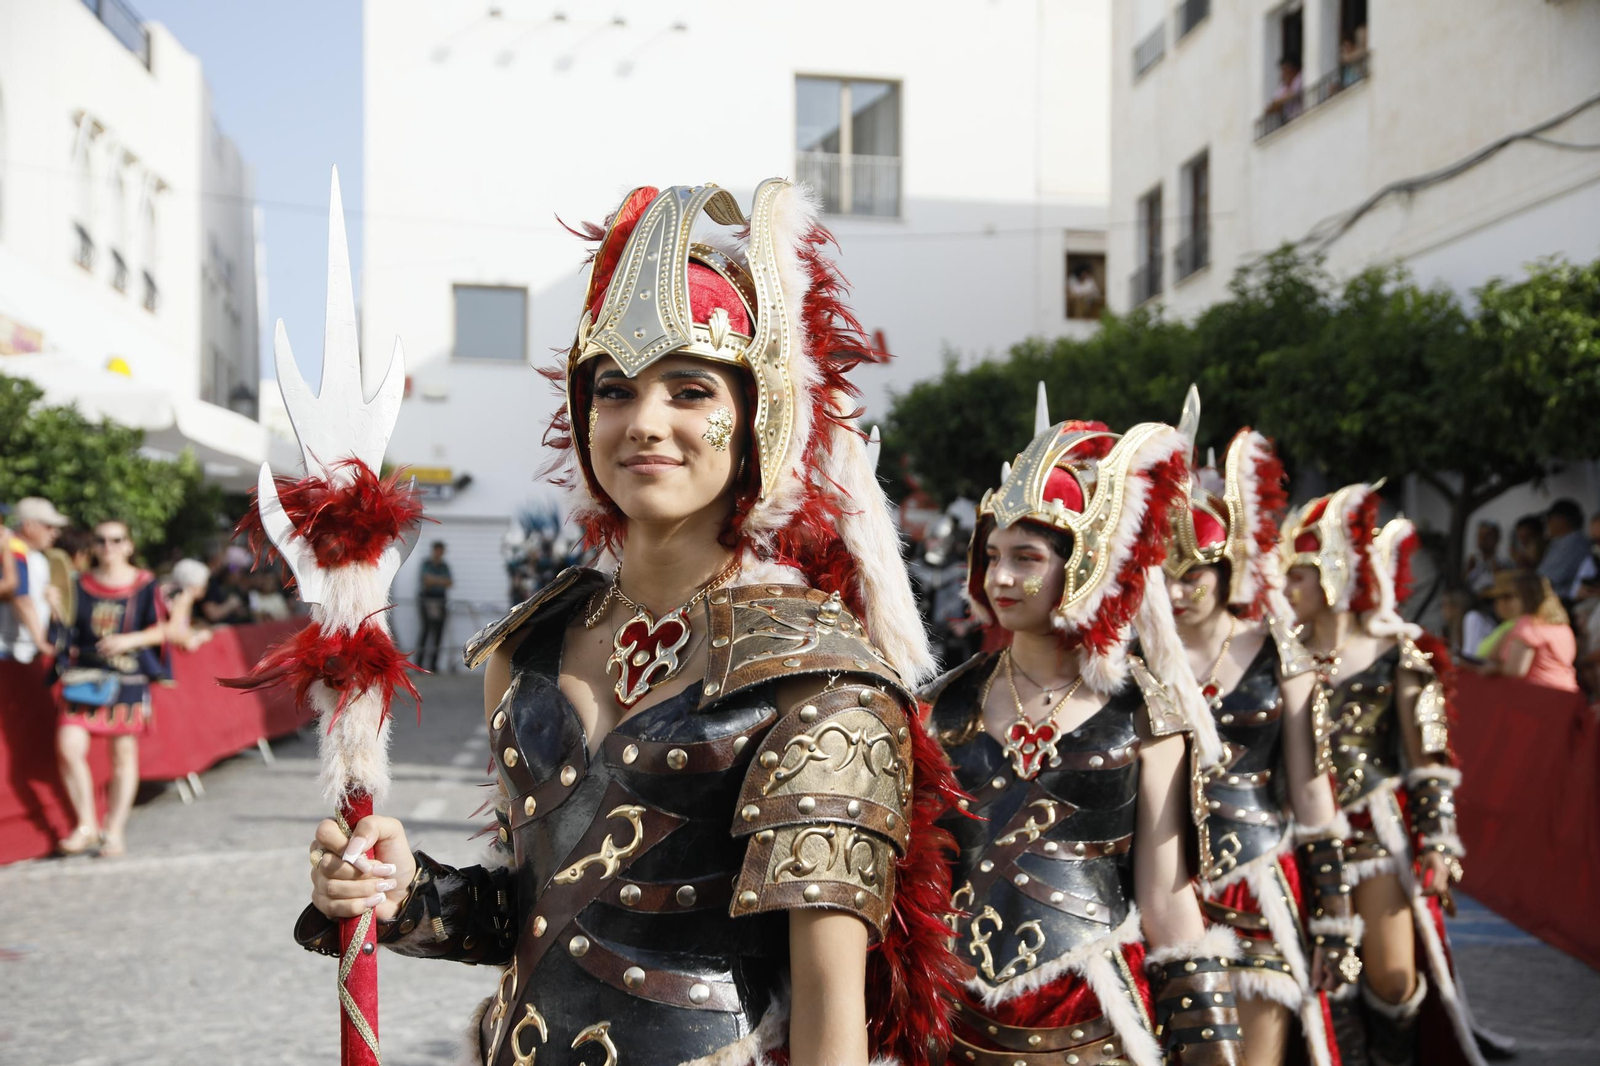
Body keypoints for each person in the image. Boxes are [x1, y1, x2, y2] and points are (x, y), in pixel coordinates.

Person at [294, 180, 962, 1064]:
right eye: (615, 390)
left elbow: (832, 1012)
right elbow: (547, 920)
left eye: (689, 390)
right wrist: (404, 888)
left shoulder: (820, 681)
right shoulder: (531, 646)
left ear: (753, 418)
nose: (645, 423)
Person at [924, 414, 1249, 1066]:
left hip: (1094, 1022)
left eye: (1027, 559)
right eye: (991, 556)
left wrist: (1214, 1051)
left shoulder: (1147, 712)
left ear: (1083, 567)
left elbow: (1167, 900)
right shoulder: (942, 704)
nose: (1001, 579)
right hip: (948, 1021)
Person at [1164, 418, 1357, 1065]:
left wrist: (1332, 917)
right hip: (1153, 891)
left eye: (1194, 572)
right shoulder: (1126, 662)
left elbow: (1311, 792)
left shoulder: (1282, 656)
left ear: (1228, 567)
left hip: (1255, 884)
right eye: (1165, 571)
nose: (1177, 589)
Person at [1282, 490, 1498, 1066]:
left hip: (1374, 835)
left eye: (1298, 577)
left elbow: (1430, 760)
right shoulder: (1275, 658)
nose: (1286, 590)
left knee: (1394, 977)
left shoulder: (1398, 651)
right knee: (1324, 980)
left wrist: (1437, 842)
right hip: (1296, 838)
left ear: (1334, 576)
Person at [56, 519, 168, 857]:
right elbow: (63, 633)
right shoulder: (78, 584)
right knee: (68, 746)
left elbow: (165, 630)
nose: (109, 547)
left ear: (128, 545)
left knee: (122, 755)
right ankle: (86, 823)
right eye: (102, 541)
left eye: (116, 540)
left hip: (126, 678)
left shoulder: (145, 584)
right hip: (84, 677)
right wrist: (54, 605)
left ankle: (114, 830)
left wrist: (129, 639)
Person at [1479, 570, 1579, 692]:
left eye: (1512, 597)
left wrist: (1495, 669)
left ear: (1524, 598)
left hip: (1538, 697)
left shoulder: (1527, 625)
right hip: (1567, 695)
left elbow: (1516, 670)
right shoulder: (1563, 626)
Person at [1539, 498, 1591, 602]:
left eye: (1549, 518)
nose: (1547, 523)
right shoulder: (1561, 541)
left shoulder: (1573, 542)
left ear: (1562, 520)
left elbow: (1547, 579)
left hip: (1567, 603)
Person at [416, 539, 452, 672]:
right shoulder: (426, 563)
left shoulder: (444, 566)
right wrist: (440, 581)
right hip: (427, 599)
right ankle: (419, 664)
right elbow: (426, 581)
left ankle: (433, 665)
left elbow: (449, 582)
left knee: (438, 633)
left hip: (440, 600)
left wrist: (434, 580)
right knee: (426, 630)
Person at [1462, 520, 1509, 594]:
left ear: (1497, 538)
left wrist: (1499, 576)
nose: (1482, 539)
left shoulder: (1504, 563)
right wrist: (1467, 573)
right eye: (1480, 535)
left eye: (1487, 535)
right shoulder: (1471, 562)